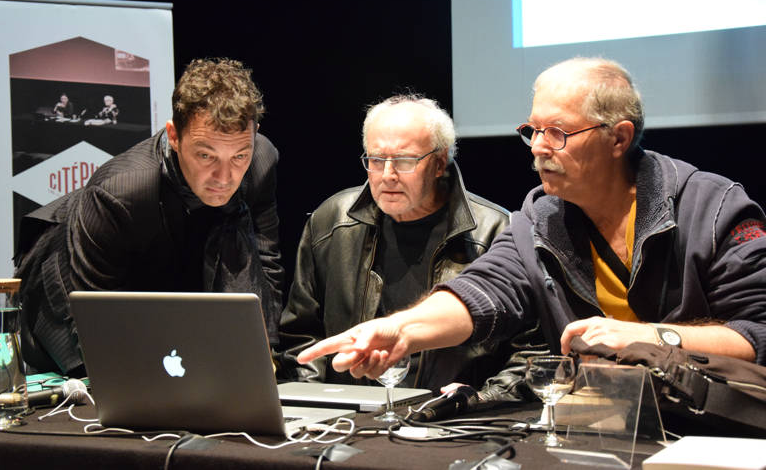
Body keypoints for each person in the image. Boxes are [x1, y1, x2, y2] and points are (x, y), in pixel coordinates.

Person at [297, 57, 766, 382]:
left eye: (558, 132)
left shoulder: (713, 208)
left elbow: (758, 333)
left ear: (619, 138)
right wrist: (401, 330)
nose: (539, 147)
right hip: (603, 426)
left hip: (712, 433)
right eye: (533, 130)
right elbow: (484, 291)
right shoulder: (542, 218)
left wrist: (652, 339)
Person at [15, 58, 283, 377]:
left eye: (239, 156)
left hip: (179, 256)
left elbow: (266, 263)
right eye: (205, 155)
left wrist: (261, 355)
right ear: (174, 136)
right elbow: (93, 314)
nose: (224, 178)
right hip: (76, 285)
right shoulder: (117, 192)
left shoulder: (261, 161)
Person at [277, 94, 512, 390]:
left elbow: (525, 351)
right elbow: (301, 338)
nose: (387, 175)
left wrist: (479, 400)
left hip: (448, 412)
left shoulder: (493, 232)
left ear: (440, 162)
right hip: (349, 411)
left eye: (404, 161)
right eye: (376, 160)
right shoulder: (331, 221)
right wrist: (318, 403)